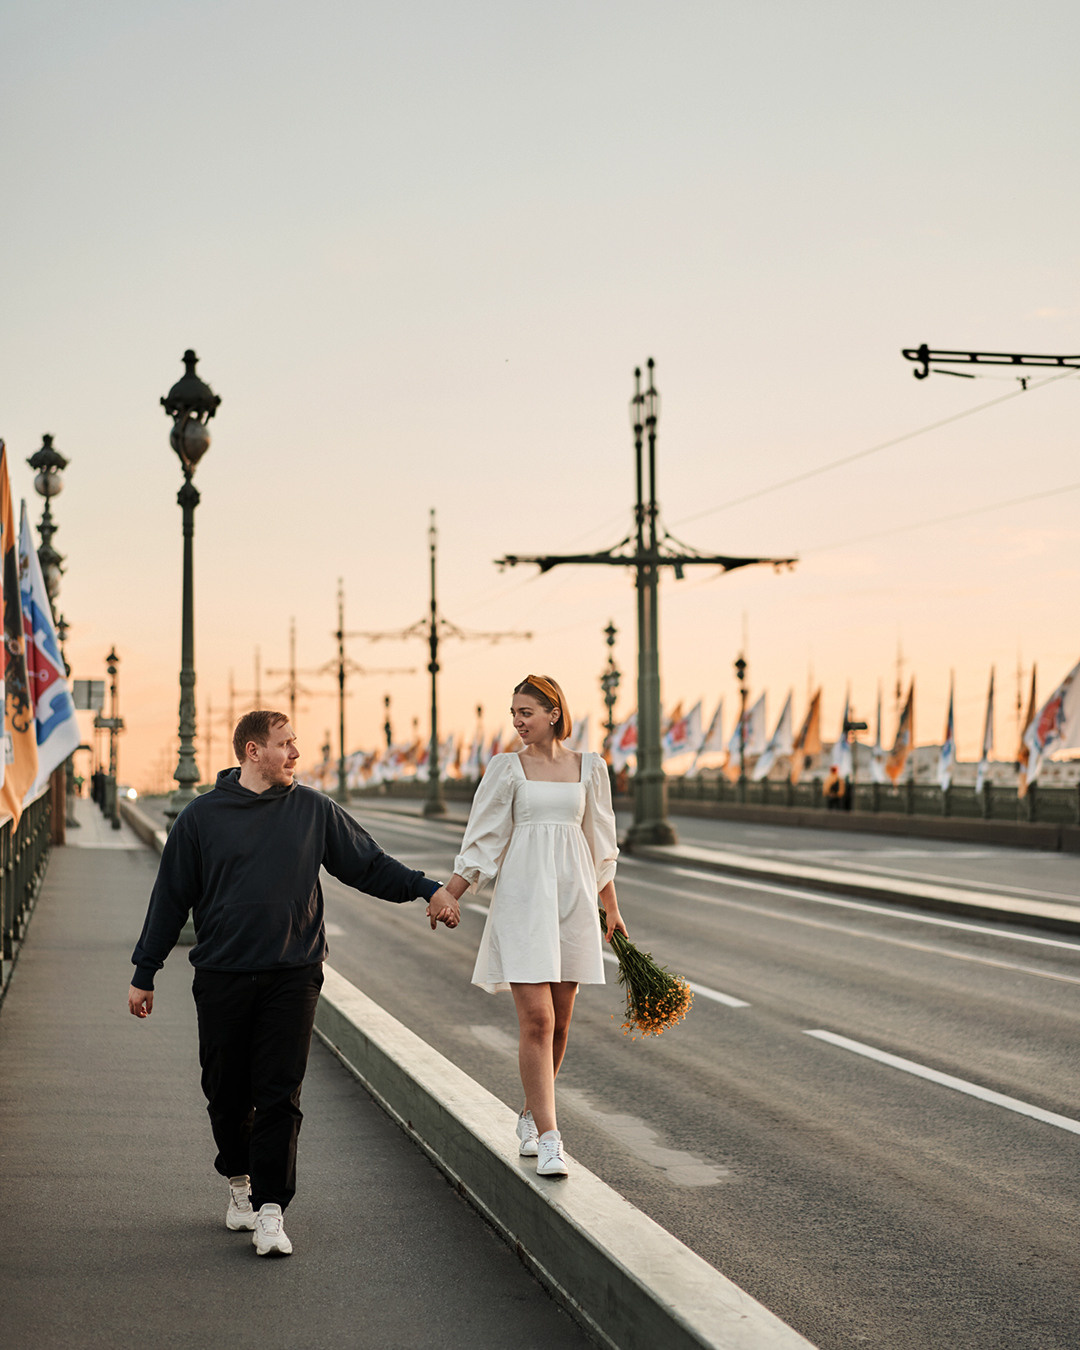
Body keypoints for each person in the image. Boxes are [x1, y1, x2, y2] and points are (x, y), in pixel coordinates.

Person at [127, 710, 459, 1257]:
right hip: (223, 974)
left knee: (281, 1093)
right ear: (253, 752)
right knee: (226, 1092)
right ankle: (239, 1182)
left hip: (294, 972)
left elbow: (369, 865)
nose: (295, 754)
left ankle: (271, 1209)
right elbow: (170, 898)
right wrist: (146, 972)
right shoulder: (202, 818)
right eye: (286, 744)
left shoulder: (313, 810)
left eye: (295, 742)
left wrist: (428, 889)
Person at [438, 675, 625, 1178]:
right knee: (537, 1022)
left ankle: (528, 1115)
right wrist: (449, 893)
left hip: (573, 901)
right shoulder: (507, 769)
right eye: (514, 713)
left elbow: (599, 842)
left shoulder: (590, 769)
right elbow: (483, 839)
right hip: (523, 901)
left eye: (527, 712)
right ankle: (549, 1138)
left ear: (554, 713)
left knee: (561, 1024)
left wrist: (611, 906)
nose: (518, 722)